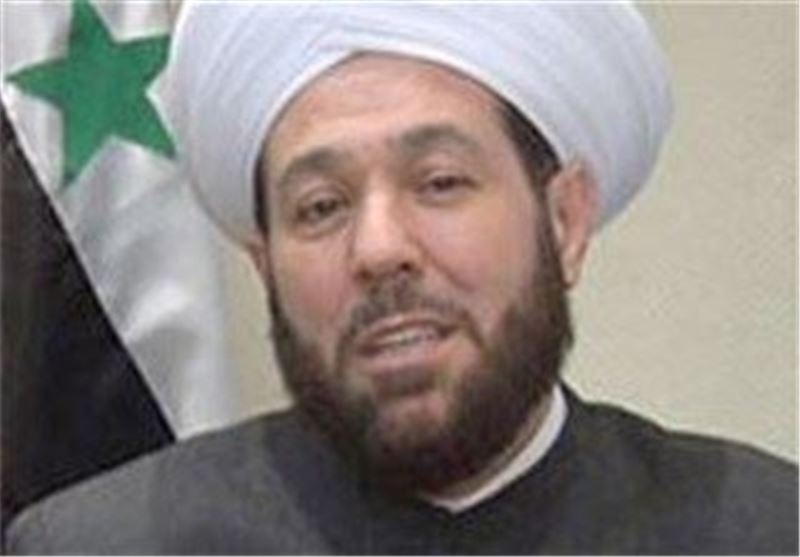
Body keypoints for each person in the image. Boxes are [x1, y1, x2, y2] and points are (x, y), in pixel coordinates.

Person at [6, 3, 797, 554]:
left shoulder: (760, 529)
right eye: (321, 206)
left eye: (440, 182)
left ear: (564, 220)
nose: (379, 248)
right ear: (265, 263)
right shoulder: (104, 546)